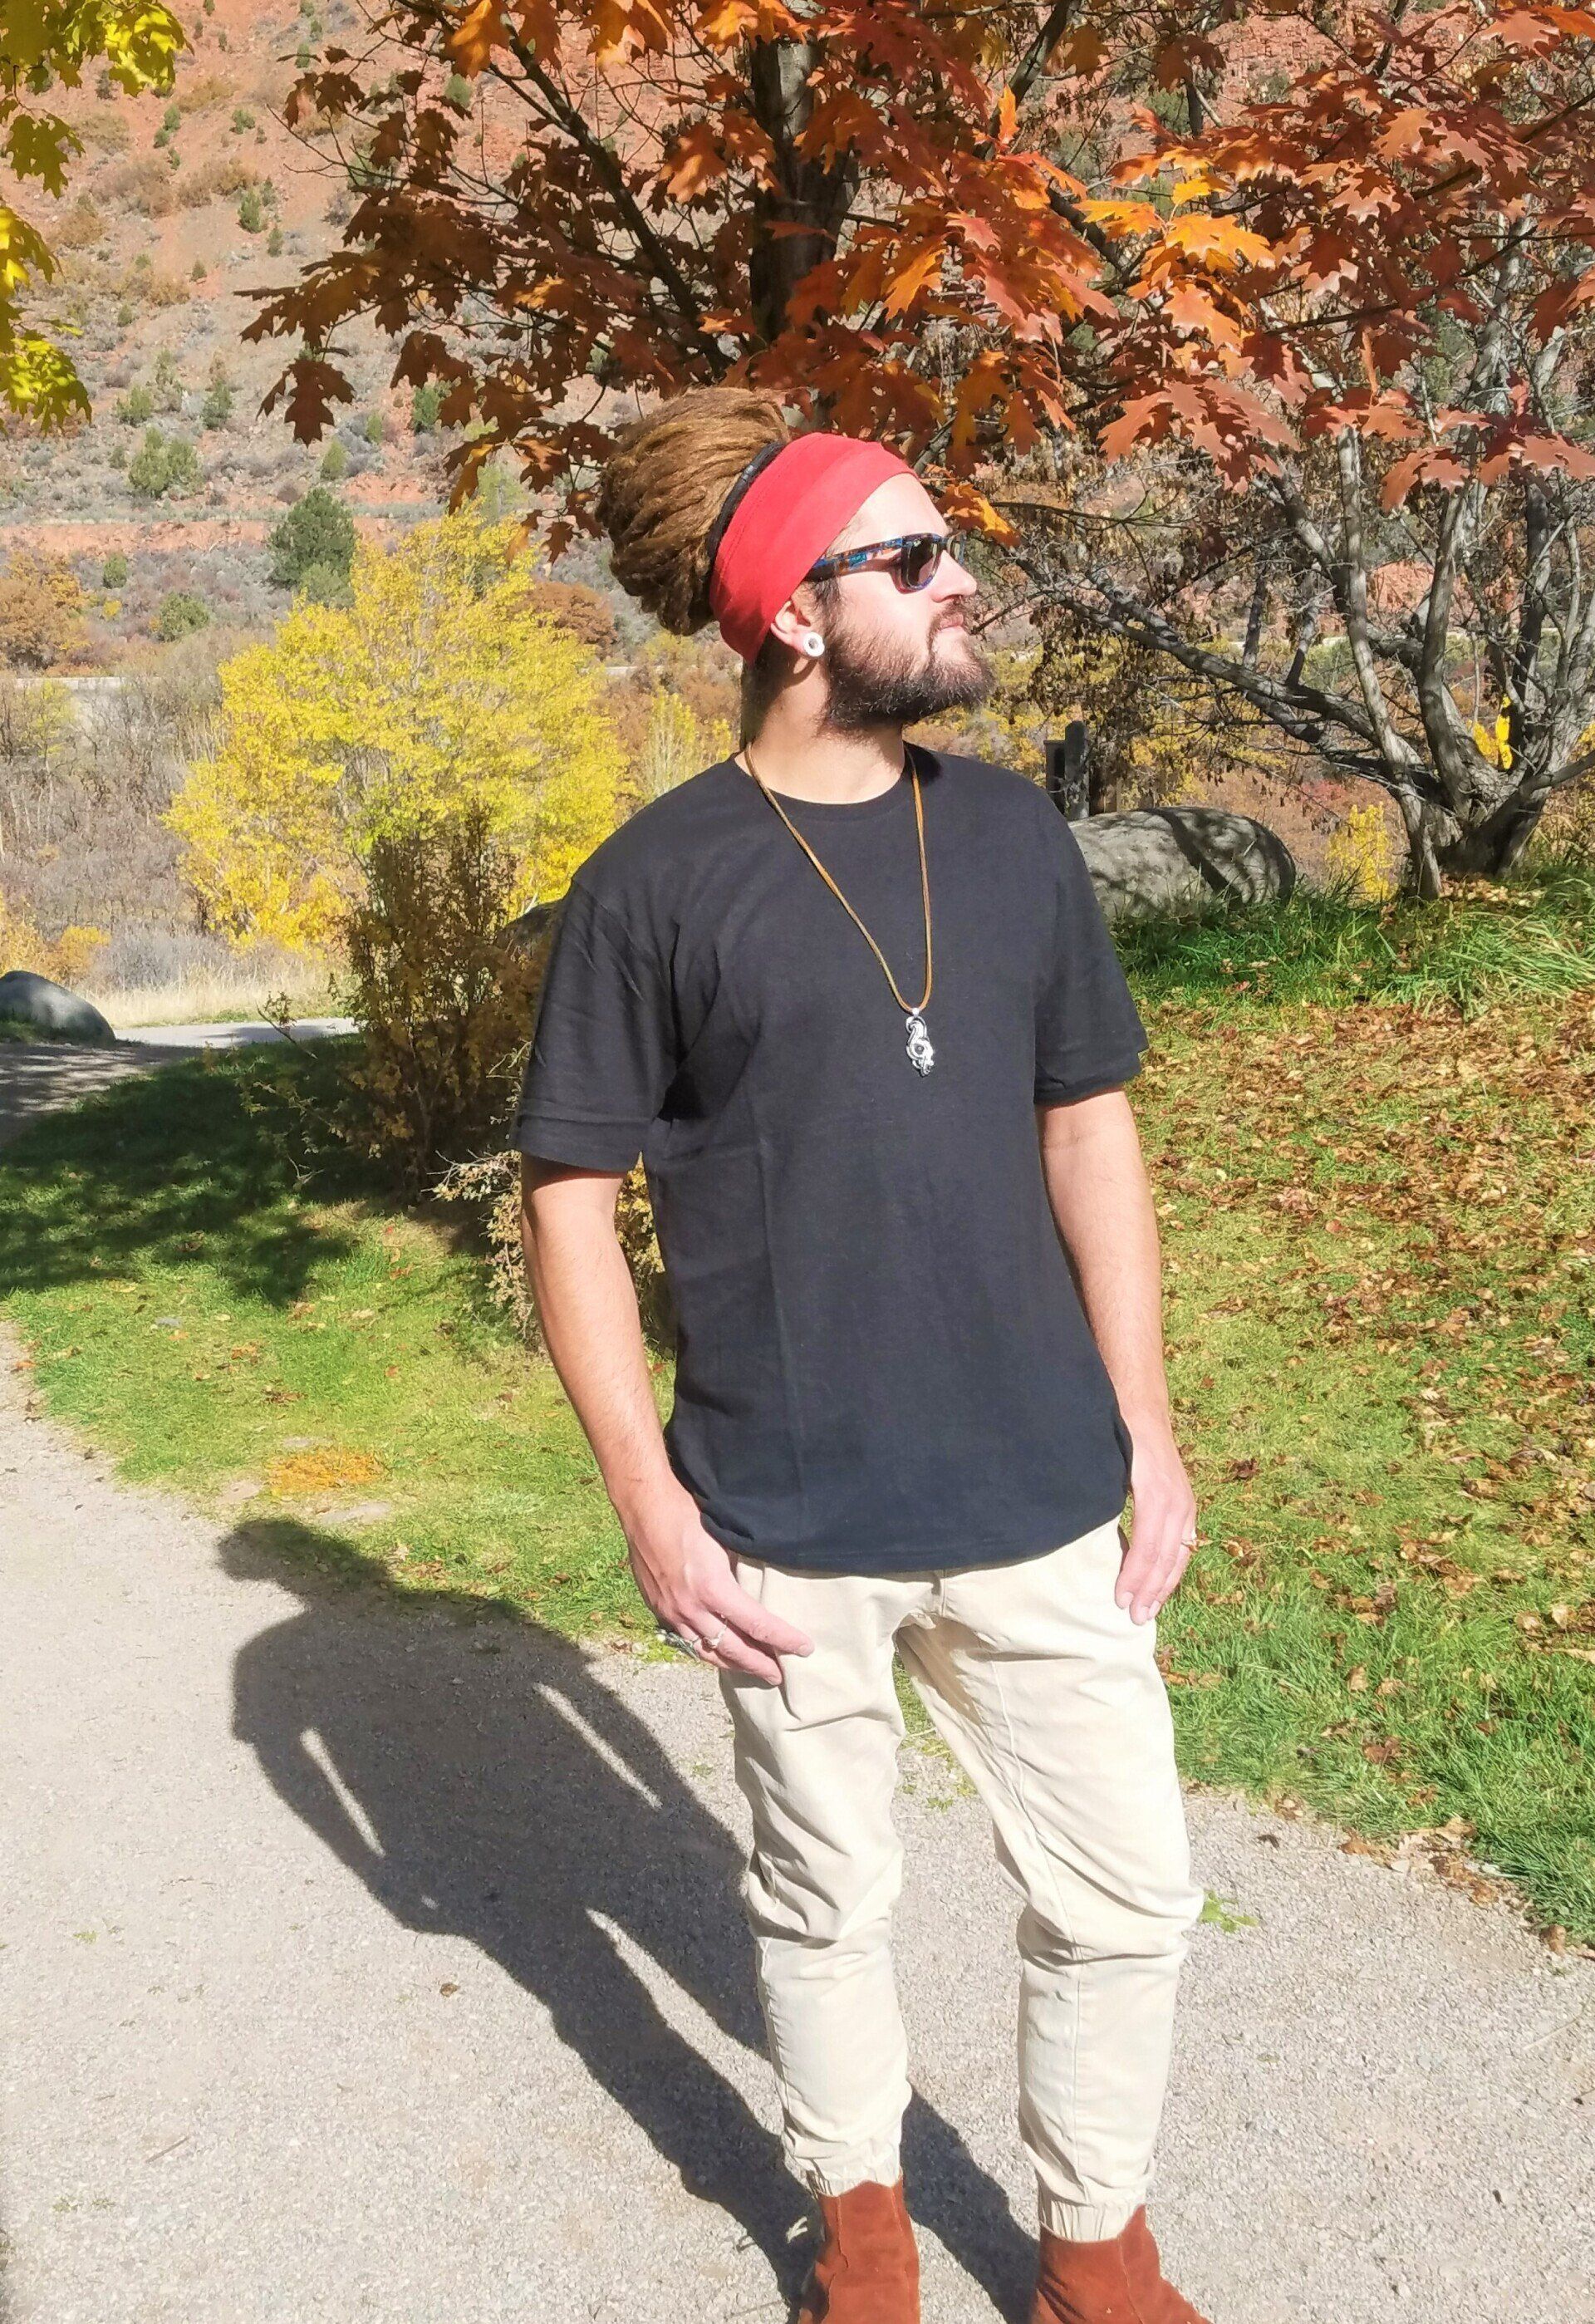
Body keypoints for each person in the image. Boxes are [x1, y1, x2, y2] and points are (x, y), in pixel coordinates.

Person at [513, 385, 1211, 2324]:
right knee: (830, 1903)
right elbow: (572, 1198)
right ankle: (868, 2235)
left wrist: (1145, 1425)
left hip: (1043, 1485)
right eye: (913, 556)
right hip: (787, 1515)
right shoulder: (653, 885)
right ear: (797, 615)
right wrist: (652, 1506)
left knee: (1130, 1895)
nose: (963, 576)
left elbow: (1092, 1127)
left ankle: (1093, 2245)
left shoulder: (1008, 838)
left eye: (950, 543)